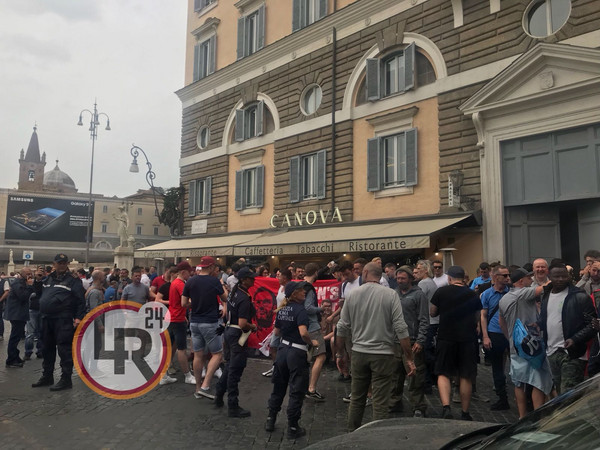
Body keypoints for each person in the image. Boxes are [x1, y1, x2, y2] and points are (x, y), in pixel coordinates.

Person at [336, 262, 415, 431]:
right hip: (383, 354)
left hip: (358, 352)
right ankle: (376, 438)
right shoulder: (390, 295)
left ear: (365, 273)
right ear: (380, 276)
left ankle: (352, 433)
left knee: (357, 397)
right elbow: (401, 327)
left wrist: (339, 353)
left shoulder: (353, 294)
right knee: (380, 400)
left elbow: (342, 326)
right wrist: (408, 357)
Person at [265, 281, 319, 439]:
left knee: (279, 387)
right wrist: (312, 342)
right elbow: (303, 333)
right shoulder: (300, 310)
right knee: (296, 390)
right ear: (294, 294)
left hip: (282, 351)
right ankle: (293, 427)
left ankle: (271, 419)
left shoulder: (282, 309)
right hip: (296, 352)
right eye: (301, 290)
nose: (304, 292)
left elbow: (276, 331)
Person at [430, 265, 481, 421]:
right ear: (463, 278)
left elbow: (433, 312)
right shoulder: (472, 294)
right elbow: (477, 316)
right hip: (467, 338)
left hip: (446, 337)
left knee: (443, 372)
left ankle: (446, 407)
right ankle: (465, 412)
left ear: (450, 278)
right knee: (466, 375)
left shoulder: (441, 291)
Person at [498, 268, 550, 418]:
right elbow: (545, 287)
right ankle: (539, 416)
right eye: (529, 278)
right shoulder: (523, 293)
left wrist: (511, 338)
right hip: (531, 346)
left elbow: (502, 323)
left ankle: (521, 416)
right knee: (538, 382)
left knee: (519, 382)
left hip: (516, 346)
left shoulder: (504, 299)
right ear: (521, 281)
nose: (531, 280)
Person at [539, 263, 597, 395]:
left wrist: (575, 339)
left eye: (563, 276)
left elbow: (593, 325)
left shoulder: (579, 296)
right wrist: (538, 325)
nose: (560, 279)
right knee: (559, 393)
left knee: (569, 394)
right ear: (550, 277)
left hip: (572, 354)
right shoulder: (546, 295)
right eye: (556, 276)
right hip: (551, 351)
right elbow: (548, 318)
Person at [32, 254, 86, 391]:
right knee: (47, 348)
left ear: (67, 264)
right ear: (54, 264)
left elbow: (80, 301)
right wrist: (37, 281)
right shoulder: (48, 279)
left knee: (64, 349)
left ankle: (66, 379)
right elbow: (39, 295)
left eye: (64, 263)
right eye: (59, 263)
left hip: (63, 319)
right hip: (46, 319)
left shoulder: (73, 280)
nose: (62, 265)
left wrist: (78, 318)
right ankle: (47, 376)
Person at [182, 255, 228, 399]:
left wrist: (195, 303)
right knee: (217, 354)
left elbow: (184, 304)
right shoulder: (214, 281)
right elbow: (225, 298)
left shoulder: (190, 281)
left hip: (194, 321)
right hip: (209, 322)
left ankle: (197, 388)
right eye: (214, 266)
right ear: (210, 267)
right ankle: (205, 385)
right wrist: (221, 284)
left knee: (198, 355)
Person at [215, 267, 257, 417]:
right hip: (237, 335)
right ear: (244, 280)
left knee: (229, 366)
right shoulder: (244, 297)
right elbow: (242, 323)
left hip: (228, 332)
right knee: (235, 370)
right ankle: (233, 405)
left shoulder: (234, 292)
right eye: (251, 278)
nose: (254, 280)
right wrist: (253, 326)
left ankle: (219, 394)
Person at [389, 266, 429, 417]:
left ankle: (418, 406)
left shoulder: (419, 295)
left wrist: (420, 340)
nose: (400, 281)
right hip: (395, 341)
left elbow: (424, 319)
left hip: (412, 341)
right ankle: (394, 402)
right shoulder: (394, 294)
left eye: (403, 278)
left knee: (415, 378)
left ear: (410, 279)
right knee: (395, 375)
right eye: (398, 278)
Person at [480, 265, 511, 410]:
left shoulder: (511, 292)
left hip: (511, 333)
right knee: (497, 367)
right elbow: (483, 316)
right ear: (496, 277)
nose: (507, 278)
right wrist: (485, 336)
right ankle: (502, 398)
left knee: (517, 365)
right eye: (504, 275)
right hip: (495, 333)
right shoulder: (487, 294)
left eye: (508, 275)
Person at [168, 261, 196, 385]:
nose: (190, 276)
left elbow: (177, 303)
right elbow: (185, 302)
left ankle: (163, 375)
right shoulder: (180, 284)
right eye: (189, 273)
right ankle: (187, 375)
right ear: (183, 272)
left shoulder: (174, 283)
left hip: (173, 317)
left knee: (170, 348)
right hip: (177, 319)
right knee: (181, 349)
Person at [303, 263, 327, 401]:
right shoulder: (310, 289)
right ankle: (311, 389)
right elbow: (308, 308)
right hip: (312, 326)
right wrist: (321, 309)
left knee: (307, 357)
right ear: (316, 273)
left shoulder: (300, 285)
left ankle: (304, 385)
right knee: (321, 356)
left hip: (303, 326)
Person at [414, 259, 438, 393]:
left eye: (418, 268)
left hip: (427, 321)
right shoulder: (431, 282)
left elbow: (418, 302)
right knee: (429, 351)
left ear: (425, 270)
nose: (416, 271)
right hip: (433, 321)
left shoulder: (423, 283)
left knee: (424, 353)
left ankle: (428, 381)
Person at [263, 268, 293, 377]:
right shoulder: (281, 287)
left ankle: (284, 369)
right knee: (273, 345)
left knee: (284, 347)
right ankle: (276, 367)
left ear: (285, 278)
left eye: (279, 275)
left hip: (286, 322)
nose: (277, 278)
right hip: (278, 320)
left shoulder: (291, 289)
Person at [5, 267, 35, 368]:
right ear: (23, 274)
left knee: (17, 336)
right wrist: (30, 286)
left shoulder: (21, 283)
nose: (30, 276)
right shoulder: (18, 284)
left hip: (19, 314)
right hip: (17, 314)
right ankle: (11, 359)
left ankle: (15, 356)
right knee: (14, 337)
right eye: (28, 274)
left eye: (30, 273)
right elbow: (23, 297)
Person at [24, 265, 45, 359]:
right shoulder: (31, 282)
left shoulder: (46, 283)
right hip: (32, 309)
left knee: (41, 332)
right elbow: (32, 292)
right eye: (38, 272)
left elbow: (42, 292)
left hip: (42, 309)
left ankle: (40, 351)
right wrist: (36, 280)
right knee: (30, 333)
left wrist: (41, 280)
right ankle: (28, 352)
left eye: (42, 272)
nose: (40, 273)